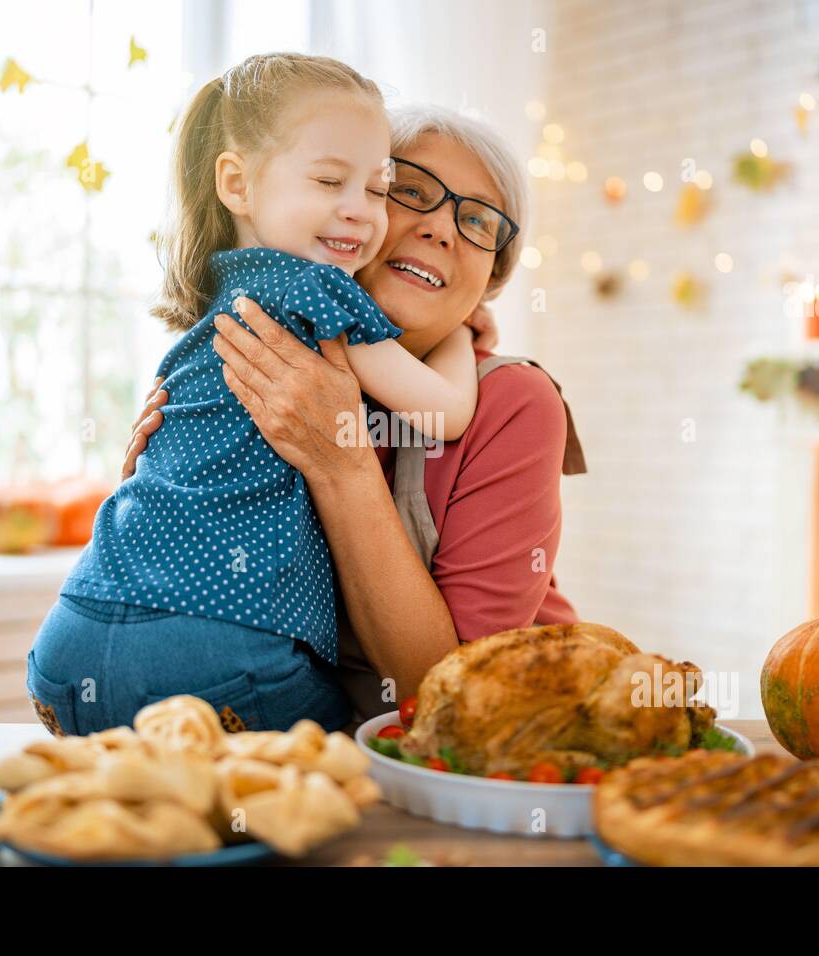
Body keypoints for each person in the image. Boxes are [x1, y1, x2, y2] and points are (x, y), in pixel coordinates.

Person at [27, 53, 483, 738]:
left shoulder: (218, 298)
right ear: (236, 184)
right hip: (218, 658)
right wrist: (460, 338)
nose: (361, 211)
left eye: (379, 188)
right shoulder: (317, 292)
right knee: (350, 760)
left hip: (69, 641)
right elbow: (444, 412)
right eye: (331, 180)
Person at [122, 100, 587, 725]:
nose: (444, 230)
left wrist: (340, 466)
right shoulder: (261, 352)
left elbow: (454, 699)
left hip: (495, 754)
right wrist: (151, 486)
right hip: (311, 749)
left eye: (478, 221)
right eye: (410, 191)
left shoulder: (514, 404)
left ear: (491, 279)